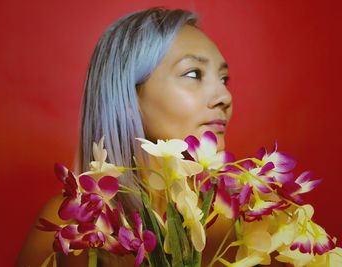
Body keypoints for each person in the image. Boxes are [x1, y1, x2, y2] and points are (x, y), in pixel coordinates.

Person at [16, 7, 284, 267]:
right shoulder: (70, 226)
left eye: (224, 78)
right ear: (128, 94)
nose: (225, 97)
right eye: (193, 74)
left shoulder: (256, 220)